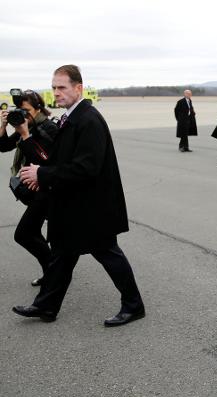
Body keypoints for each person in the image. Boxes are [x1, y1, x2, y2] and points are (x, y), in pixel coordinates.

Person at [13, 64, 145, 326]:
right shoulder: (70, 117)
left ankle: (134, 305)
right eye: (53, 88)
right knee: (62, 255)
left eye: (61, 87)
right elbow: (61, 158)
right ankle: (46, 306)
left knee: (108, 253)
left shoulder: (88, 119)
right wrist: (41, 171)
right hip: (74, 205)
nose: (56, 93)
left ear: (78, 88)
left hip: (93, 208)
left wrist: (44, 175)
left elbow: (86, 167)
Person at [0, 90, 58, 286]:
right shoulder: (25, 125)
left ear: (38, 109)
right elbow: (3, 146)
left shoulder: (49, 128)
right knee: (31, 232)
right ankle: (52, 271)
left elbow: (42, 162)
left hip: (48, 190)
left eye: (26, 110)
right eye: (20, 110)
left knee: (24, 234)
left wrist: (25, 134)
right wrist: (3, 125)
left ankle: (55, 271)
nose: (22, 115)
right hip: (36, 191)